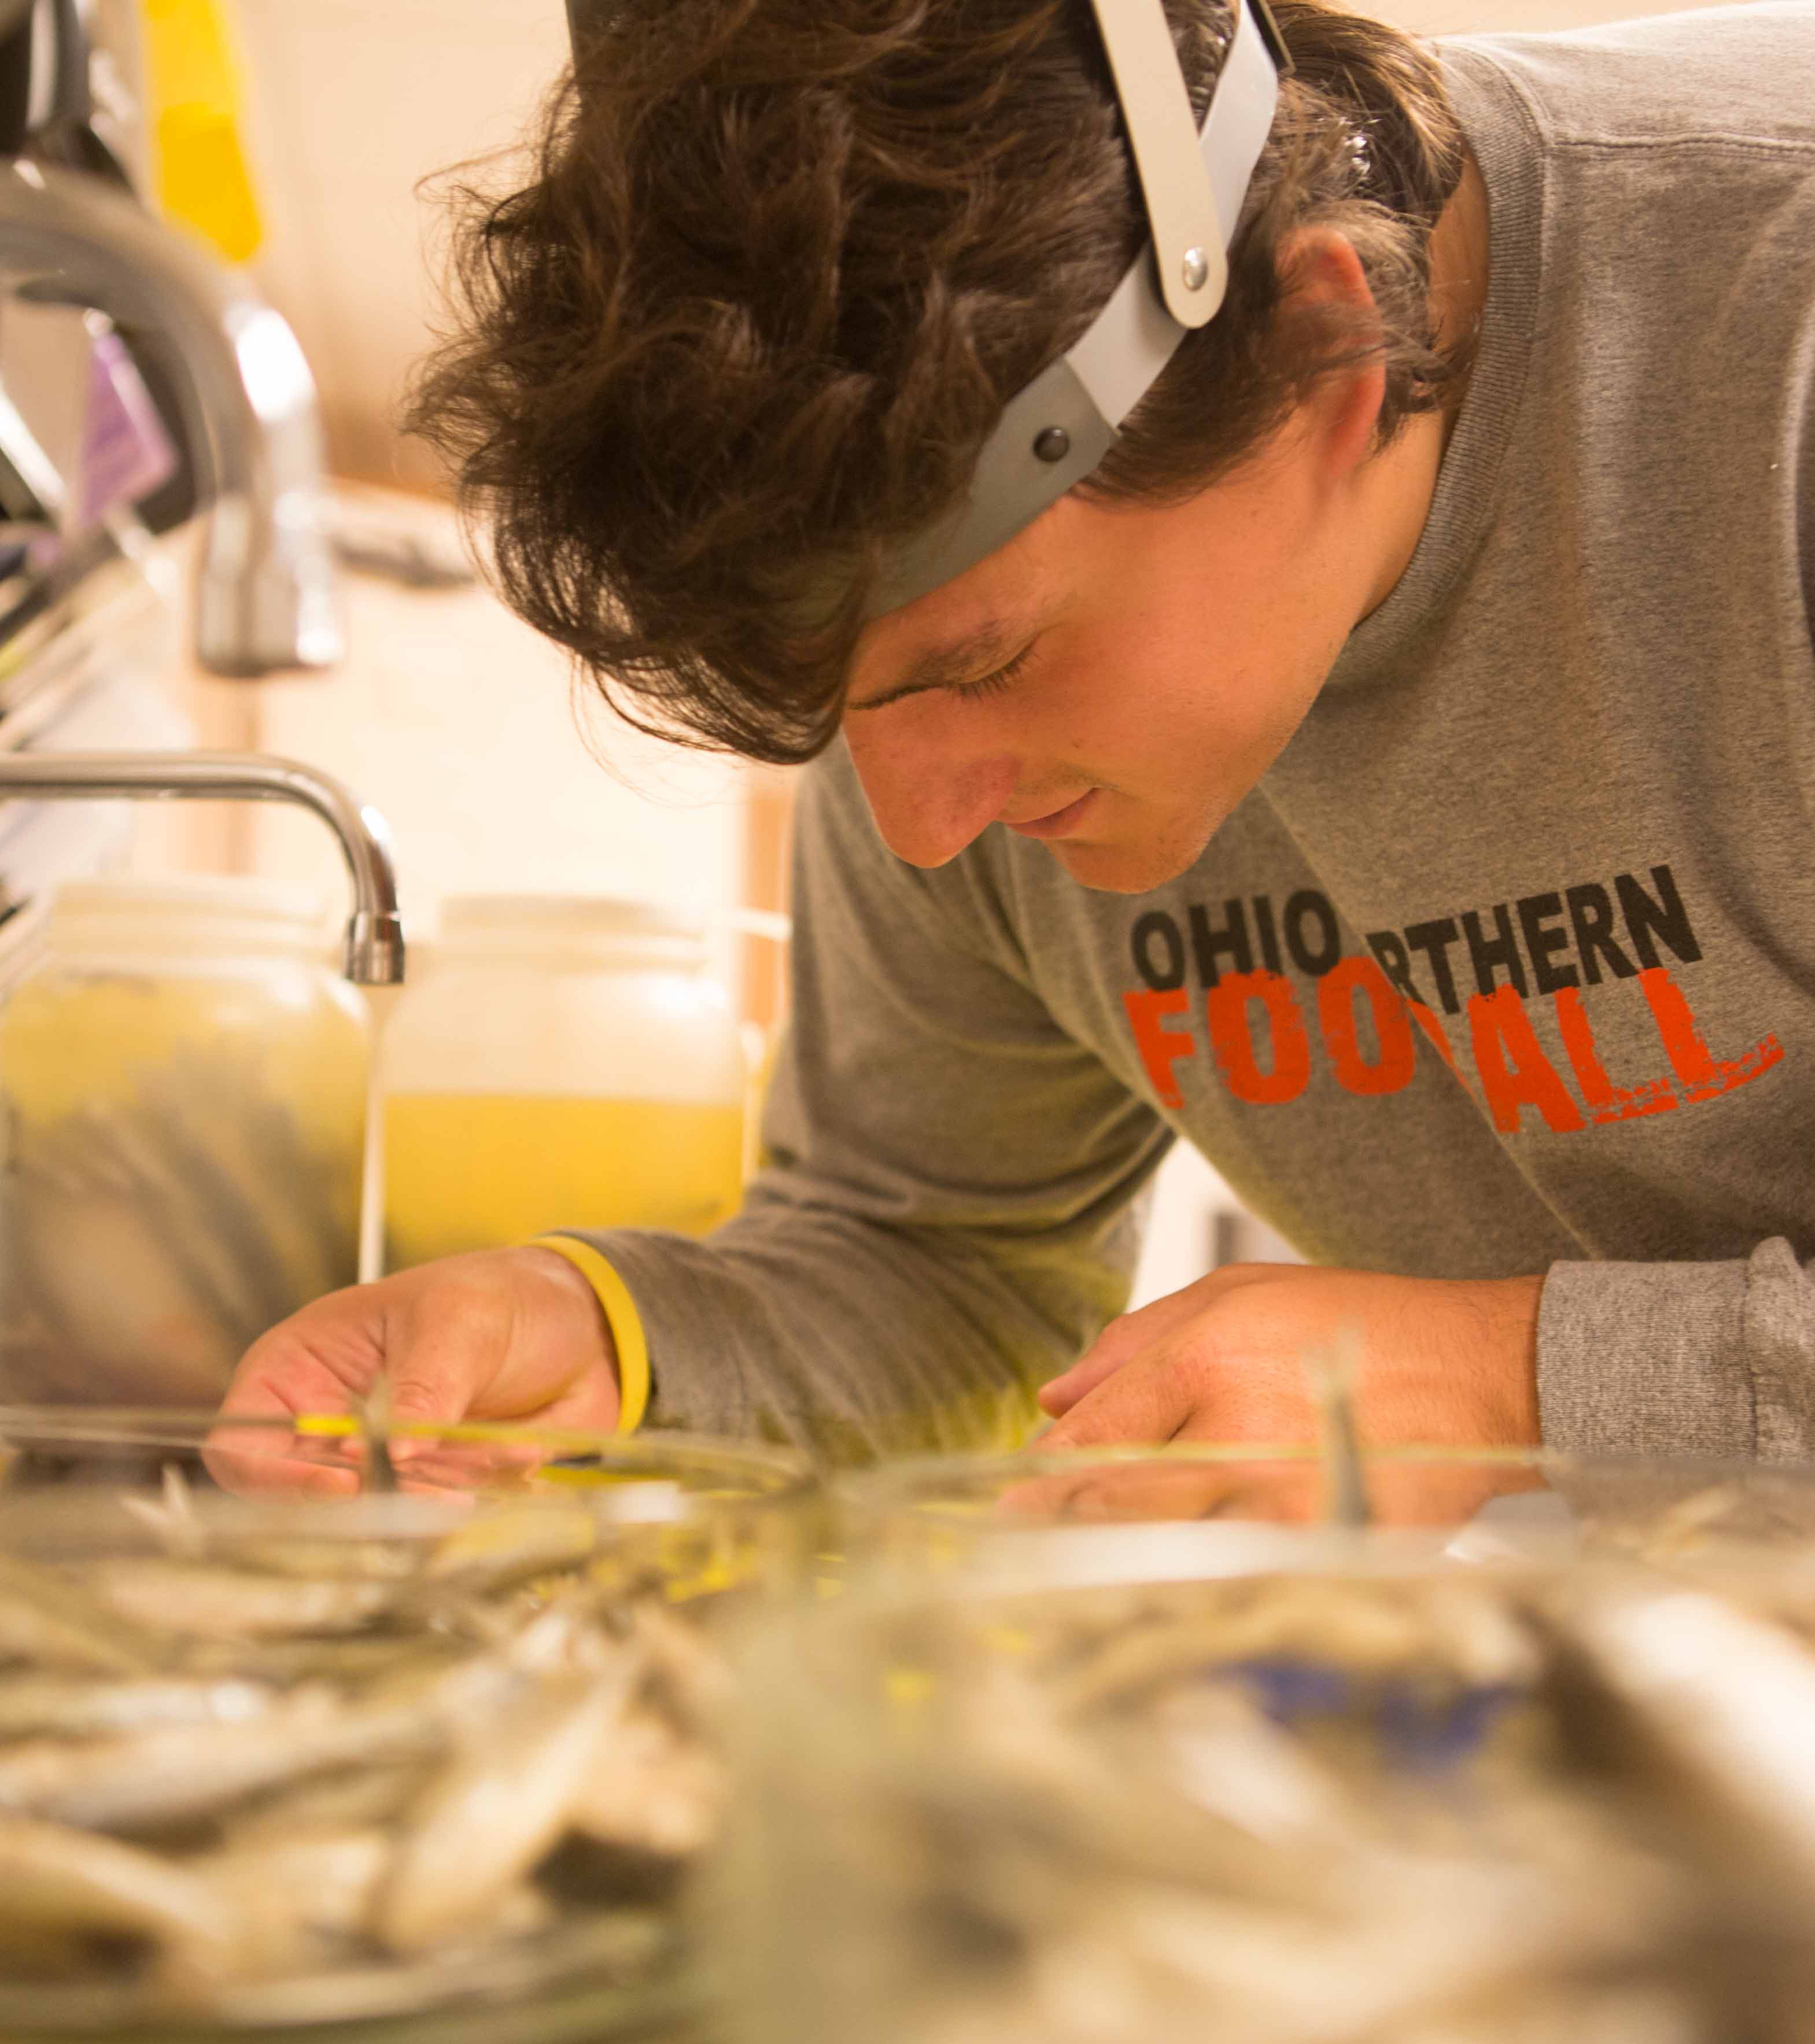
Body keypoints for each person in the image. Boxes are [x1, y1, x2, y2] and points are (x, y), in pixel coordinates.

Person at [224, 0, 1815, 1518]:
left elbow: (1518, 1398)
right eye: (839, 719)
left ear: (1323, 359)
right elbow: (940, 1268)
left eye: (982, 666)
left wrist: (1508, 1386)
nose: (923, 832)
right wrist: (605, 1340)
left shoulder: (1771, 339)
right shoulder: (928, 657)